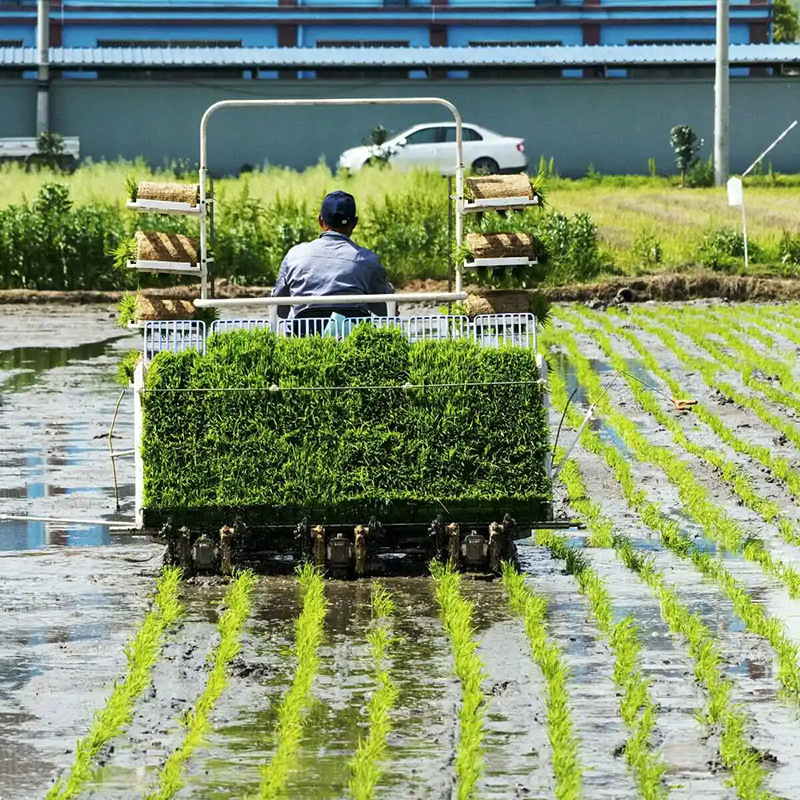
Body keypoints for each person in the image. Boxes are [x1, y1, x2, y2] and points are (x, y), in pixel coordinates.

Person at [272, 190, 393, 319]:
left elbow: (280, 308)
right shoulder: (368, 260)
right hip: (351, 338)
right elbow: (384, 309)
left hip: (302, 336)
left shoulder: (294, 256)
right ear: (354, 224)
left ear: (320, 221)